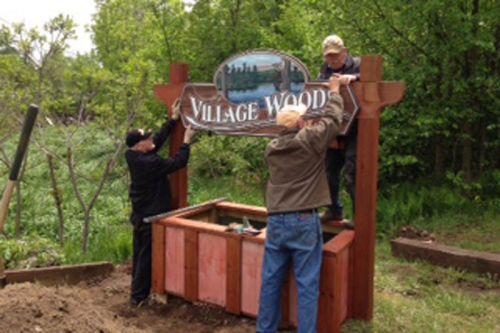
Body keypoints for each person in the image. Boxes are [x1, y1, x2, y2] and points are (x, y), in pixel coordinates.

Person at [256, 76, 349, 333]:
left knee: (271, 281)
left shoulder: (271, 149)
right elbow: (332, 120)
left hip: (276, 220)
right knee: (307, 284)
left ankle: (265, 330)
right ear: (299, 122)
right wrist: (335, 91)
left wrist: (304, 125)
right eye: (302, 118)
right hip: (303, 221)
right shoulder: (310, 140)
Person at [125, 102, 195, 307]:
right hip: (149, 217)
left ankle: (136, 294)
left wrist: (173, 120)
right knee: (146, 258)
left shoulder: (133, 155)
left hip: (140, 215)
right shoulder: (149, 164)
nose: (151, 139)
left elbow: (157, 140)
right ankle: (138, 298)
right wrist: (186, 142)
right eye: (146, 138)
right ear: (140, 146)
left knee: (139, 254)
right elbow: (178, 162)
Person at [317, 34, 361, 226]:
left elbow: (375, 81)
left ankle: (360, 217)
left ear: (345, 52)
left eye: (335, 55)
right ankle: (334, 210)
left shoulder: (359, 64)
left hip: (355, 129)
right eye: (328, 56)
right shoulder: (324, 70)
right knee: (329, 171)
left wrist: (355, 78)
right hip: (334, 129)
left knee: (354, 172)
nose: (332, 59)